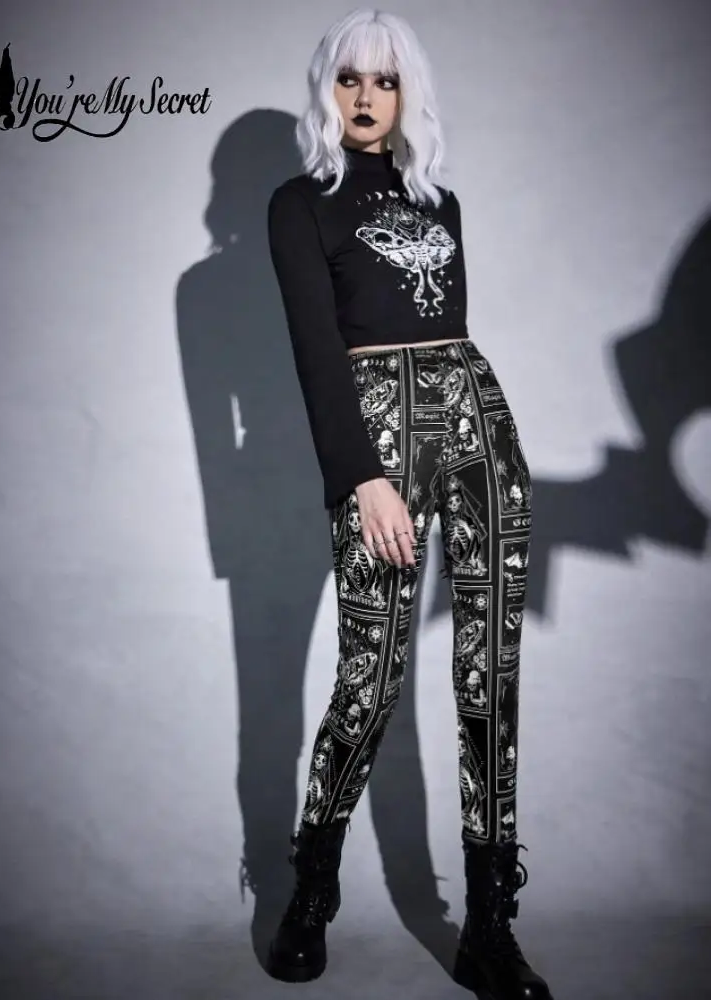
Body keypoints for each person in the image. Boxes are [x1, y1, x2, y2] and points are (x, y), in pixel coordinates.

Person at [265, 9, 552, 999]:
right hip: (375, 443)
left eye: (385, 80)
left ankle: (490, 927)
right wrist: (363, 475)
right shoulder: (299, 205)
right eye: (349, 77)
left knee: (491, 677)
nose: (365, 96)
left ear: (406, 93)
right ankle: (310, 890)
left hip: (478, 429)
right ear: (327, 87)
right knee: (372, 672)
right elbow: (318, 351)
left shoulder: (441, 202)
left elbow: (448, 336)